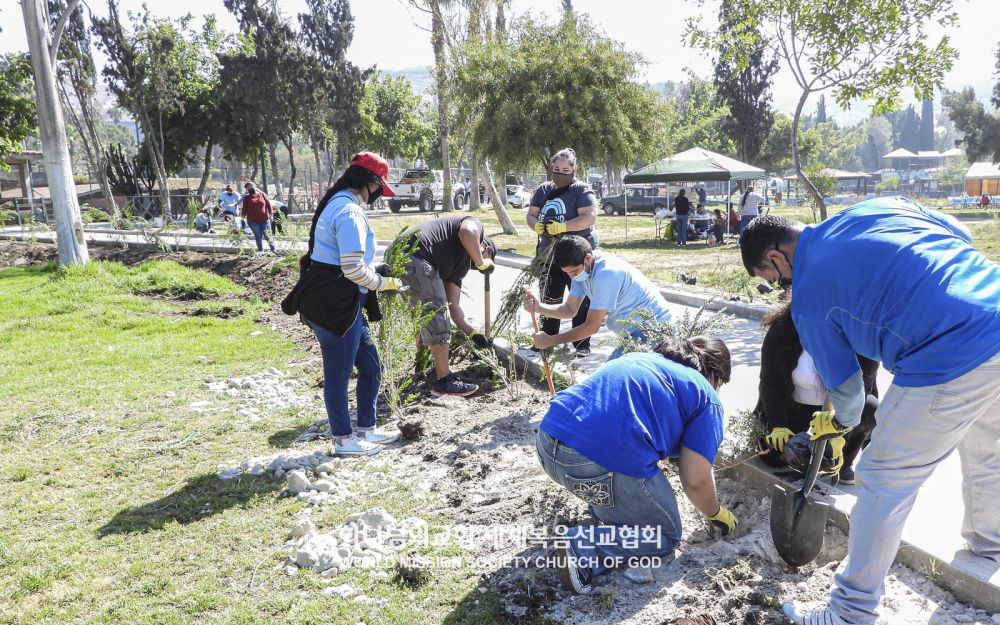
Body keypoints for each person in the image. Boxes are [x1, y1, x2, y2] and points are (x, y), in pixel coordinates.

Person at [740, 197, 1000, 625]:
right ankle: (989, 547)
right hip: (993, 305)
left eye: (769, 279)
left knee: (882, 480)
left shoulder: (809, 297)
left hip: (948, 354)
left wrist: (834, 423)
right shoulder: (875, 208)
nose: (778, 288)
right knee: (985, 449)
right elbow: (961, 232)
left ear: (776, 257)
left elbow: (848, 394)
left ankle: (851, 612)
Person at [536, 336, 737, 594]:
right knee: (665, 535)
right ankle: (584, 547)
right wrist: (714, 513)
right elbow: (696, 479)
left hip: (547, 444)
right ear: (715, 375)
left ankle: (607, 520)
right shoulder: (706, 395)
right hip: (593, 461)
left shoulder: (645, 361)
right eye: (720, 385)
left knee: (624, 481)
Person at [282, 152, 403, 457]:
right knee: (337, 376)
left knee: (372, 367)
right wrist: (385, 283)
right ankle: (344, 440)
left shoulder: (337, 202)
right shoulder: (348, 211)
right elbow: (353, 269)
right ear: (370, 182)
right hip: (336, 307)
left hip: (342, 305)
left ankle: (366, 429)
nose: (378, 195)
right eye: (379, 188)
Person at [755, 303, 878, 484]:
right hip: (794, 408)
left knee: (870, 408)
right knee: (773, 457)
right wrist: (777, 425)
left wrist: (839, 433)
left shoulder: (862, 336)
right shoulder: (783, 328)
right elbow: (770, 383)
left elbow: (862, 388)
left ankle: (844, 462)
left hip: (835, 411)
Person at [521, 235, 672, 359]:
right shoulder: (582, 272)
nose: (571, 277)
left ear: (588, 258)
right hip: (636, 332)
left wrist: (551, 340)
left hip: (654, 330)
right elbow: (569, 309)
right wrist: (539, 307)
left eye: (574, 272)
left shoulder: (607, 274)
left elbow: (591, 327)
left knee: (613, 378)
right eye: (567, 273)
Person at [395, 215, 497, 397]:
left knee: (423, 315)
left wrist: (473, 333)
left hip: (403, 254)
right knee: (436, 314)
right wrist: (482, 262)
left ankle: (422, 364)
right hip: (415, 253)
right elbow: (467, 231)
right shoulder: (474, 226)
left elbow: (454, 308)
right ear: (486, 248)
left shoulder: (459, 266)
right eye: (487, 257)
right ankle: (444, 380)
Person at [526, 147, 599, 357]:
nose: (560, 172)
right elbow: (531, 215)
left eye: (565, 169)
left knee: (582, 300)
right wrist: (536, 225)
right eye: (556, 168)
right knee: (549, 296)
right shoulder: (543, 190)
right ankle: (546, 340)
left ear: (574, 169)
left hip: (576, 255)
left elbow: (589, 217)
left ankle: (581, 344)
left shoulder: (582, 190)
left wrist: (563, 226)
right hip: (549, 255)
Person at [241, 182, 277, 254]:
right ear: (247, 190)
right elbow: (244, 208)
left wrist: (271, 215)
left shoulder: (262, 195)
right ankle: (261, 251)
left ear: (255, 186)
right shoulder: (247, 198)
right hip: (252, 220)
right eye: (248, 188)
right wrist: (242, 218)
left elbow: (268, 205)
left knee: (268, 235)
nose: (250, 188)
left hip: (264, 219)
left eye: (251, 186)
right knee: (258, 236)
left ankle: (273, 250)